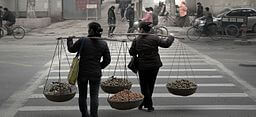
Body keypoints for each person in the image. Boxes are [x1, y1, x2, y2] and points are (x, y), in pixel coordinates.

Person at [67, 22, 111, 117]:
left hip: (82, 73)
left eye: (88, 29)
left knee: (82, 95)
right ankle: (94, 115)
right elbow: (107, 60)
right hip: (95, 73)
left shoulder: (83, 40)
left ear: (91, 30)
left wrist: (69, 40)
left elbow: (71, 49)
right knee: (94, 96)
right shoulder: (103, 43)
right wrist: (99, 66)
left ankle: (85, 114)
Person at [129, 22, 174, 112]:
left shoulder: (137, 40)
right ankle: (144, 102)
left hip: (142, 66)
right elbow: (166, 44)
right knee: (150, 84)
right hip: (154, 65)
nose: (138, 30)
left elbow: (132, 52)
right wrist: (171, 37)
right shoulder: (155, 38)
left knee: (144, 85)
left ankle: (148, 105)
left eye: (139, 28)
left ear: (142, 29)